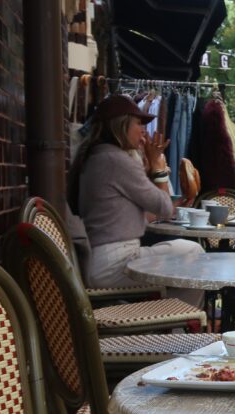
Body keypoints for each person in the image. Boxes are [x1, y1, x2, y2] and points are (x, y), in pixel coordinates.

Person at [68, 94, 203, 303]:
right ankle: (178, 320)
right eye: (139, 123)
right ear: (121, 126)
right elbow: (163, 206)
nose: (143, 130)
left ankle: (168, 317)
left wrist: (168, 202)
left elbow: (129, 215)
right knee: (195, 254)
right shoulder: (116, 159)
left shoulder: (97, 156)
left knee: (186, 253)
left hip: (102, 261)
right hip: (113, 265)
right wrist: (157, 166)